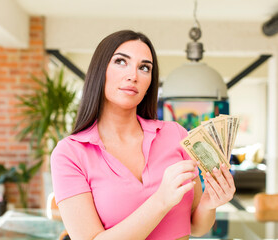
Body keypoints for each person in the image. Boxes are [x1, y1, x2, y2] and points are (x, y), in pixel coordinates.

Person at [51, 30, 235, 240]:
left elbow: (195, 226)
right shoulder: (70, 153)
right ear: (99, 71)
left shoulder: (175, 135)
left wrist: (209, 203)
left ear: (150, 83)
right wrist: (161, 200)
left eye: (144, 67)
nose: (133, 76)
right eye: (121, 62)